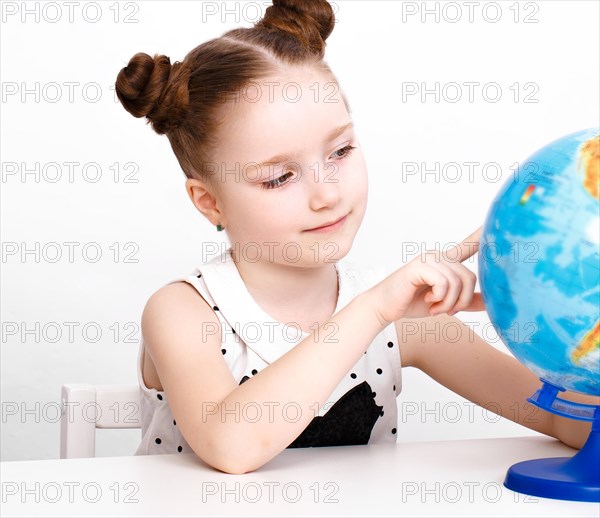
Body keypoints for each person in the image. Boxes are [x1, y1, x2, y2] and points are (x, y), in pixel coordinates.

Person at [115, 0, 598, 474]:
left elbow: (561, 416)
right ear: (210, 202)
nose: (326, 193)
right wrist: (373, 309)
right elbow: (232, 447)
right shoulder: (183, 312)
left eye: (341, 150)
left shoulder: (401, 317)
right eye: (280, 177)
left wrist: (556, 299)